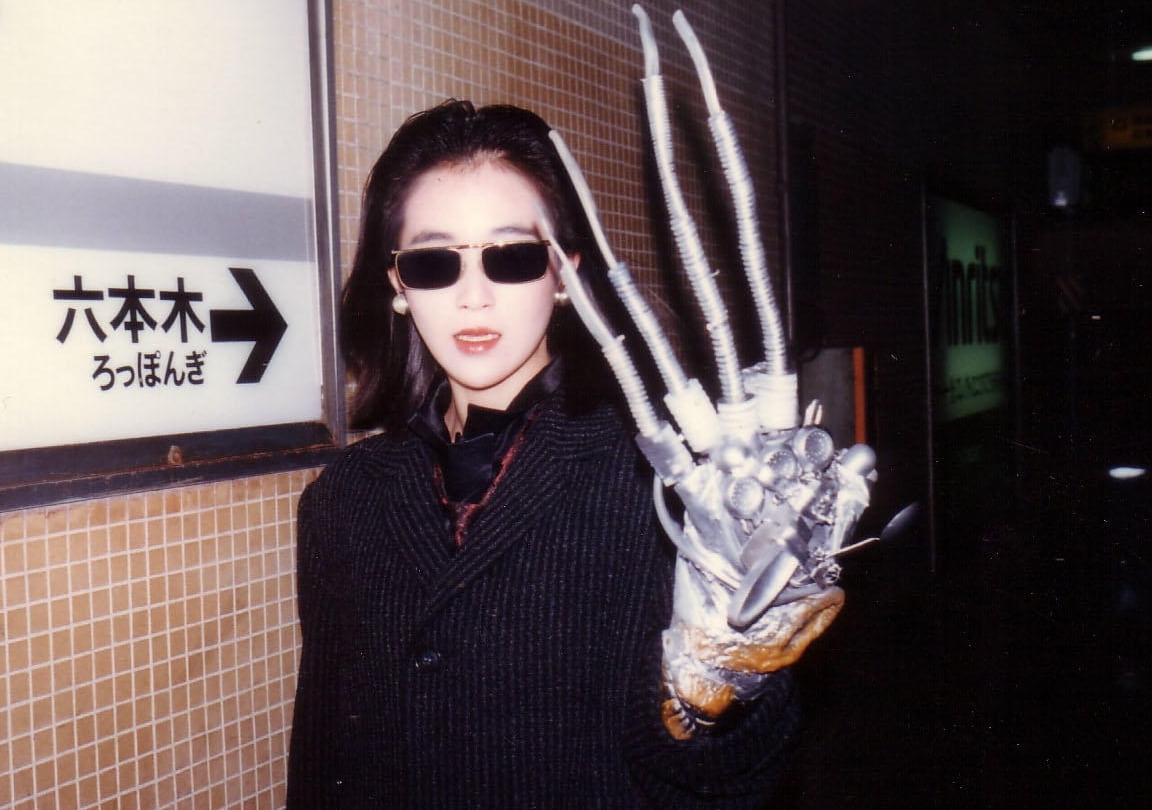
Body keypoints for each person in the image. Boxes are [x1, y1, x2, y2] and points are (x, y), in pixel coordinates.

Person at [285, 99, 832, 809]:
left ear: (564, 276)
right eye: (434, 262)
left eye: (512, 257)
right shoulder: (344, 499)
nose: (473, 298)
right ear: (399, 285)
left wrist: (722, 688)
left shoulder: (666, 485)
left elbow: (734, 778)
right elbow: (324, 751)